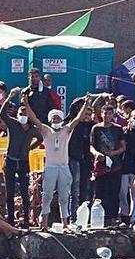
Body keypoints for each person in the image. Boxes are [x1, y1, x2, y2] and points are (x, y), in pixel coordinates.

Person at [26, 98, 88, 229]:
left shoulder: (66, 130)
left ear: (61, 119)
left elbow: (77, 119)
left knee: (64, 196)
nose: (55, 120)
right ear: (50, 120)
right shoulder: (46, 131)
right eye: (53, 118)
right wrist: (26, 104)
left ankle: (65, 224)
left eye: (58, 118)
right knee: (47, 196)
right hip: (50, 167)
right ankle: (44, 223)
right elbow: (34, 119)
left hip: (64, 167)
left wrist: (86, 104)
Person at [0, 89, 41, 227]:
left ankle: (26, 220)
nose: (23, 115)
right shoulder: (13, 124)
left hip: (23, 162)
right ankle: (10, 219)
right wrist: (10, 96)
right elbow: (2, 114)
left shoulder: (32, 129)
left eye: (25, 113)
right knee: (9, 192)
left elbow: (40, 138)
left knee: (24, 191)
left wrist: (30, 147)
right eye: (21, 113)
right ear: (17, 114)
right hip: (10, 160)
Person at [90, 101, 127, 221]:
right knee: (100, 191)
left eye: (110, 114)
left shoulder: (118, 129)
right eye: (105, 113)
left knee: (114, 191)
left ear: (113, 115)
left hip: (115, 165)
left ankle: (113, 217)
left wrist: (113, 153)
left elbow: (123, 147)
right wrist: (96, 154)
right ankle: (99, 217)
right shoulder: (96, 128)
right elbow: (91, 145)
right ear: (101, 114)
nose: (107, 116)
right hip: (100, 166)